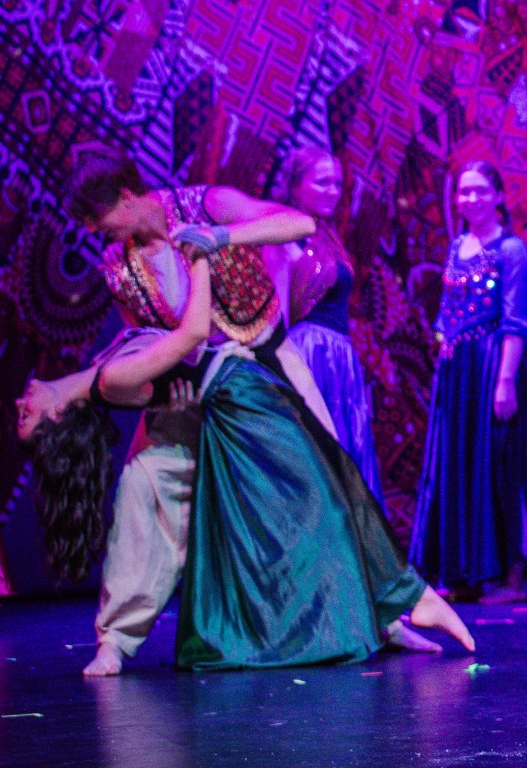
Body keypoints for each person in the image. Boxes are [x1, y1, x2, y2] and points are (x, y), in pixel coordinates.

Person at [20, 239, 472, 668]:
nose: (20, 403)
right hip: (245, 403)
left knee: (327, 498)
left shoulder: (100, 370)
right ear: (57, 414)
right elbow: (193, 334)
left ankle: (394, 611)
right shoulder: (111, 380)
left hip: (244, 397)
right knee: (320, 503)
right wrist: (201, 256)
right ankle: (412, 599)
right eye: (27, 417)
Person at [53, 147, 340, 676]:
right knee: (143, 486)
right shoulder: (119, 264)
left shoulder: (205, 203)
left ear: (126, 196)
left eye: (97, 216)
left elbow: (298, 223)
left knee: (329, 479)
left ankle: (382, 617)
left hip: (265, 364)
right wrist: (163, 395)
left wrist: (223, 236)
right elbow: (141, 338)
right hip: (193, 388)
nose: (95, 229)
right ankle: (116, 637)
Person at [410, 161, 527, 604]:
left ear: (498, 197)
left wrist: (504, 381)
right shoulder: (457, 246)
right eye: (464, 192)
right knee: (457, 466)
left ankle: (511, 580)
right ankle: (462, 573)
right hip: (458, 372)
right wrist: (443, 341)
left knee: (501, 464)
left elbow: (517, 320)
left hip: (493, 364)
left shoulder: (511, 249)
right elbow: (446, 311)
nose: (470, 199)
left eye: (480, 191)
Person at [273, 146, 383, 500]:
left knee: (345, 454)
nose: (333, 191)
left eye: (337, 183)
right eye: (322, 182)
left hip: (339, 357)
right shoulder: (283, 235)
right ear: (295, 186)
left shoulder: (327, 236)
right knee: (318, 456)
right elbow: (279, 313)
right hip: (310, 354)